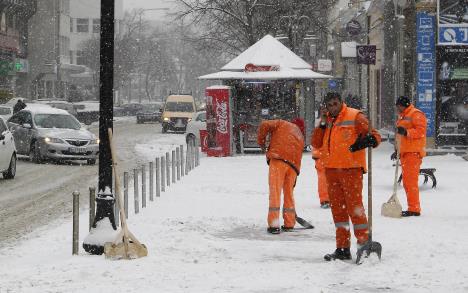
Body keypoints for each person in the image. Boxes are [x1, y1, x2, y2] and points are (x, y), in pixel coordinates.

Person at [311, 92, 381, 261]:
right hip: (331, 170)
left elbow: (375, 135)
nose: (332, 107)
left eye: (335, 103)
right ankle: (342, 247)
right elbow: (316, 143)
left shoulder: (355, 116)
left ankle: (364, 244)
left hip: (351, 169)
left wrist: (370, 140)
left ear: (341, 102)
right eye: (329, 105)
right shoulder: (326, 120)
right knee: (338, 211)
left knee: (354, 208)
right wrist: (321, 124)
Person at [257, 118, 305, 234]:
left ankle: (274, 225)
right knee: (289, 193)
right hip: (293, 166)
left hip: (278, 159)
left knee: (275, 192)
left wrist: (262, 143)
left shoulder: (281, 123)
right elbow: (298, 158)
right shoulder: (300, 137)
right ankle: (289, 223)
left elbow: (264, 124)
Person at [391, 96, 427, 217]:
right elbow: (400, 136)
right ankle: (413, 207)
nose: (397, 109)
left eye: (398, 106)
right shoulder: (402, 116)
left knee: (410, 182)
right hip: (405, 153)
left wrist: (407, 132)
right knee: (407, 182)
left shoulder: (416, 114)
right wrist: (396, 150)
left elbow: (421, 132)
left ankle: (414, 209)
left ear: (402, 105)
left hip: (413, 153)